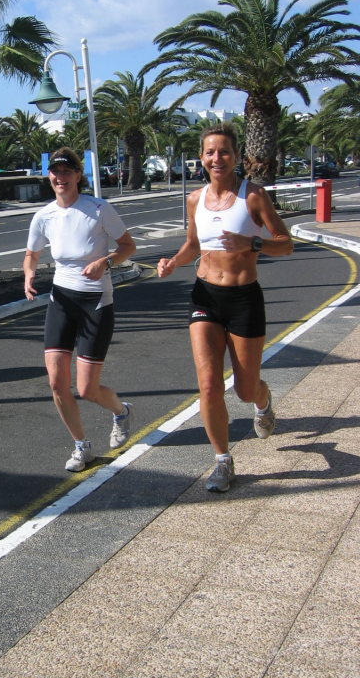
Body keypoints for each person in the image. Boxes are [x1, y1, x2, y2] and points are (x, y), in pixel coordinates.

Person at [158, 123, 293, 492]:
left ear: (236, 156)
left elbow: (286, 243)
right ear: (201, 157)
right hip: (205, 297)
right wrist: (173, 262)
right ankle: (222, 461)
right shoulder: (194, 199)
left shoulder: (254, 196)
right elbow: (192, 245)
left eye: (224, 152)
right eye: (210, 152)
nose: (217, 158)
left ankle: (263, 402)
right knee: (208, 385)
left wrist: (252, 243)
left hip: (244, 299)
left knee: (245, 390)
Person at [24, 147, 137, 471]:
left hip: (95, 302)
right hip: (61, 300)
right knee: (56, 382)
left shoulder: (99, 209)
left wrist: (106, 261)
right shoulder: (43, 216)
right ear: (50, 176)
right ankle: (81, 446)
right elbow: (31, 253)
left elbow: (129, 246)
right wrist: (29, 272)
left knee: (86, 388)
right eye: (54, 172)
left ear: (77, 175)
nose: (60, 177)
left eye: (66, 171)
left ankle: (121, 411)